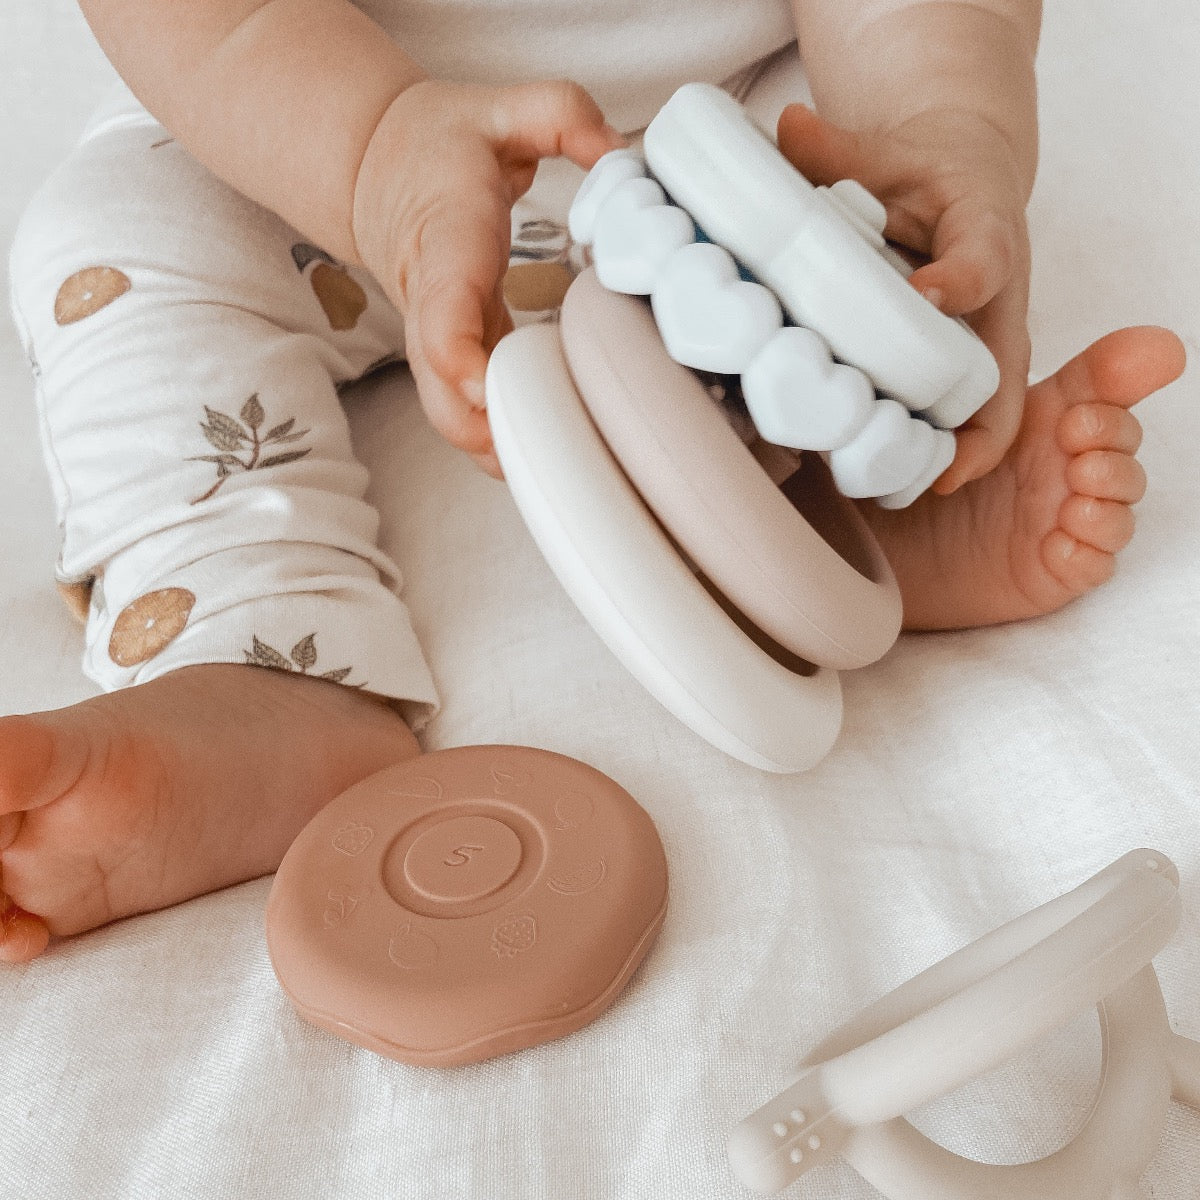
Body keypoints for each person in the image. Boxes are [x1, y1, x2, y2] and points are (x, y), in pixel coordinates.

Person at [0, 0, 1185, 962]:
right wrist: (373, 152)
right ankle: (257, 659)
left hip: (715, 154)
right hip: (321, 149)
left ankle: (853, 501)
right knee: (117, 231)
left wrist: (941, 118)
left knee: (871, 217)